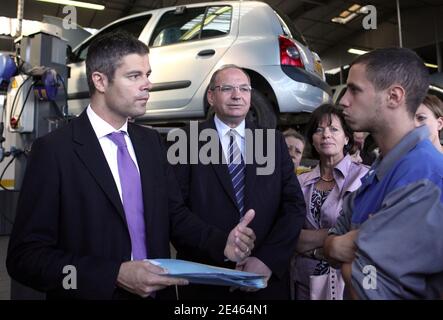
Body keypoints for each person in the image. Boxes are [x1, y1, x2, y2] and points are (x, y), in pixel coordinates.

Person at [6, 32, 256, 300]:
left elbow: (175, 216)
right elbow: (26, 258)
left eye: (147, 75)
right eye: (135, 76)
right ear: (100, 81)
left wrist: (222, 243)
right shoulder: (54, 151)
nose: (148, 84)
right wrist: (112, 274)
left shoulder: (151, 143)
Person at [170, 65, 306, 299]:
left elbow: (294, 206)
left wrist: (267, 260)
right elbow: (173, 211)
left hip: (264, 281)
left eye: (244, 89)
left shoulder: (272, 143)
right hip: (206, 280)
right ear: (211, 96)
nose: (237, 95)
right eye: (227, 88)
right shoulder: (185, 142)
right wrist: (221, 244)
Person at [324, 47, 443, 299]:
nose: (343, 100)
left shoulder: (425, 178)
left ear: (394, 96)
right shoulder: (382, 168)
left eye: (355, 90)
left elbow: (366, 289)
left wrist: (342, 253)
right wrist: (333, 245)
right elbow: (335, 239)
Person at [292, 103, 368, 300]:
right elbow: (289, 235)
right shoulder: (300, 182)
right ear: (312, 140)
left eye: (334, 129)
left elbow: (364, 234)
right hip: (302, 280)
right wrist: (335, 237)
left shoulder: (364, 177)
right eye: (319, 130)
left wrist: (309, 241)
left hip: (345, 281)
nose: (326, 134)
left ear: (346, 138)